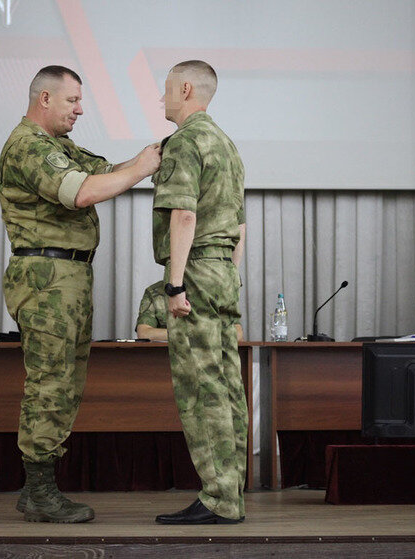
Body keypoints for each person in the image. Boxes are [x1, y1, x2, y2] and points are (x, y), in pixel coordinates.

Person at [0, 65, 161, 523]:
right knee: (49, 382)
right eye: (72, 100)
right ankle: (39, 491)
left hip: (67, 275)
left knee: (66, 383)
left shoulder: (58, 147)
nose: (80, 109)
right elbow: (84, 192)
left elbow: (104, 171)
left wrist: (151, 157)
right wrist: (144, 168)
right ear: (44, 98)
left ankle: (41, 488)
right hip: (46, 277)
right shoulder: (28, 146)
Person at [151, 60, 248, 524]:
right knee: (228, 384)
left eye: (167, 89)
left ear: (186, 88)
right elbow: (241, 226)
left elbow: (184, 216)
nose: (162, 97)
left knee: (201, 386)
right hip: (223, 271)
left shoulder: (186, 141)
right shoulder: (226, 144)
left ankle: (218, 499)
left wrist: (175, 282)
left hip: (196, 270)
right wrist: (224, 273)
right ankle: (232, 491)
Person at [136, 280, 244, 342]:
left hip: (211, 358)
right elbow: (144, 333)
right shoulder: (155, 291)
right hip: (168, 360)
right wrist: (195, 335)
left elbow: (237, 333)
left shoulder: (216, 290)